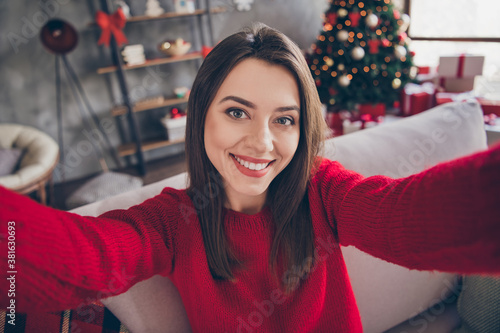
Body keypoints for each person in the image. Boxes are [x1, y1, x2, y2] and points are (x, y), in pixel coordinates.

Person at [1, 23, 499, 332]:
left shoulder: (324, 190)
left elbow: (407, 219)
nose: (262, 142)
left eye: (283, 119)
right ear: (202, 118)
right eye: (237, 112)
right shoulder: (173, 221)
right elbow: (81, 258)